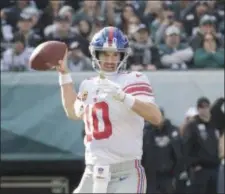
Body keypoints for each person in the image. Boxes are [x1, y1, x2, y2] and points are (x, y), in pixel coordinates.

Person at [55, 26, 162, 193]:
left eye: (115, 54)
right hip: (92, 172)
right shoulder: (87, 85)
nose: (111, 59)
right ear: (96, 54)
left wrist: (123, 96)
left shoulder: (133, 79)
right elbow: (73, 112)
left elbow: (156, 117)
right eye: (105, 53)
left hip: (124, 172)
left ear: (122, 55)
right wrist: (64, 75)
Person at [182, 97, 220, 194]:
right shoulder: (192, 126)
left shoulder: (214, 125)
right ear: (198, 109)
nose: (204, 109)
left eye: (206, 107)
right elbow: (186, 147)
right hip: (200, 169)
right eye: (201, 107)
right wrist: (192, 165)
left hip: (214, 168)